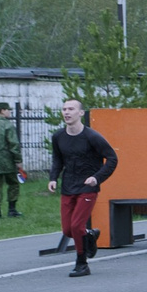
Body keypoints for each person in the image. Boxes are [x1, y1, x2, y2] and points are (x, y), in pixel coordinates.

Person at [46, 98, 117, 277]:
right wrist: (53, 178)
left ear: (80, 113)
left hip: (87, 187)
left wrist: (97, 178)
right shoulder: (58, 137)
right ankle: (89, 235)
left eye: (71, 109)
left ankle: (82, 263)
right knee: (68, 230)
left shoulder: (92, 137)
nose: (67, 112)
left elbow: (112, 158)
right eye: (64, 109)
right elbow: (57, 159)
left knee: (77, 226)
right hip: (68, 186)